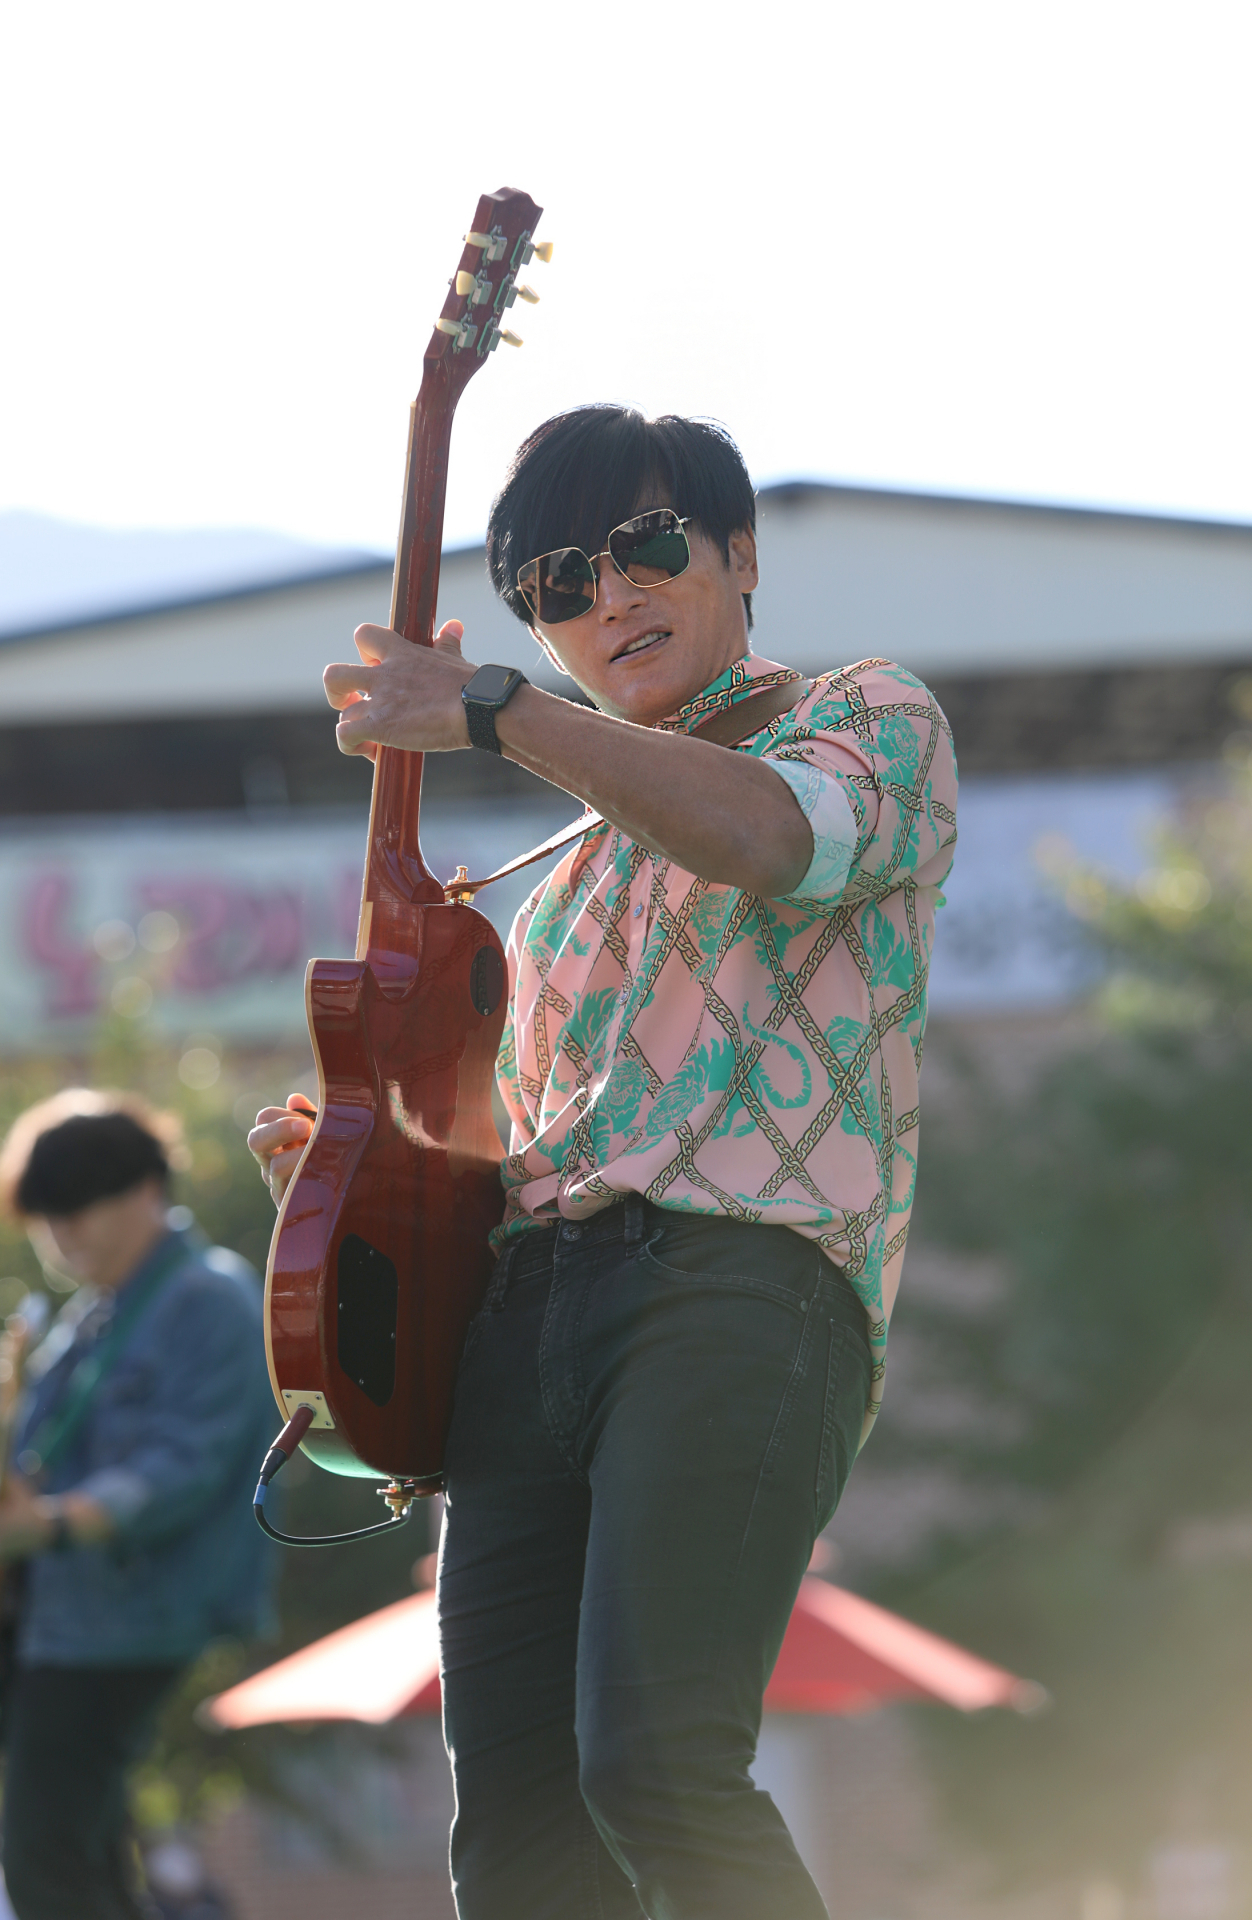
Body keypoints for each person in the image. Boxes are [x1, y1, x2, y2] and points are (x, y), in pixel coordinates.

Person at [250, 406, 958, 1919]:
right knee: (514, 1837)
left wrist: (495, 708)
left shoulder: (867, 711)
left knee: (653, 1769)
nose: (610, 598)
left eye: (646, 550)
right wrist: (349, 1185)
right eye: (560, 585)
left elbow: (771, 840)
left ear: (738, 555)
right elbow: (503, 1173)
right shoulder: (559, 887)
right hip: (530, 1317)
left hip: (742, 1285)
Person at [0, 1090, 277, 1920]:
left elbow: (179, 1467)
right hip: (65, 1609)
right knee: (80, 1849)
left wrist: (47, 1522)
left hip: (130, 1611)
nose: (63, 1232)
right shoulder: (92, 1315)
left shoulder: (209, 1298)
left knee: (44, 1849)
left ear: (147, 1187)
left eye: (79, 1206)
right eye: (49, 1214)